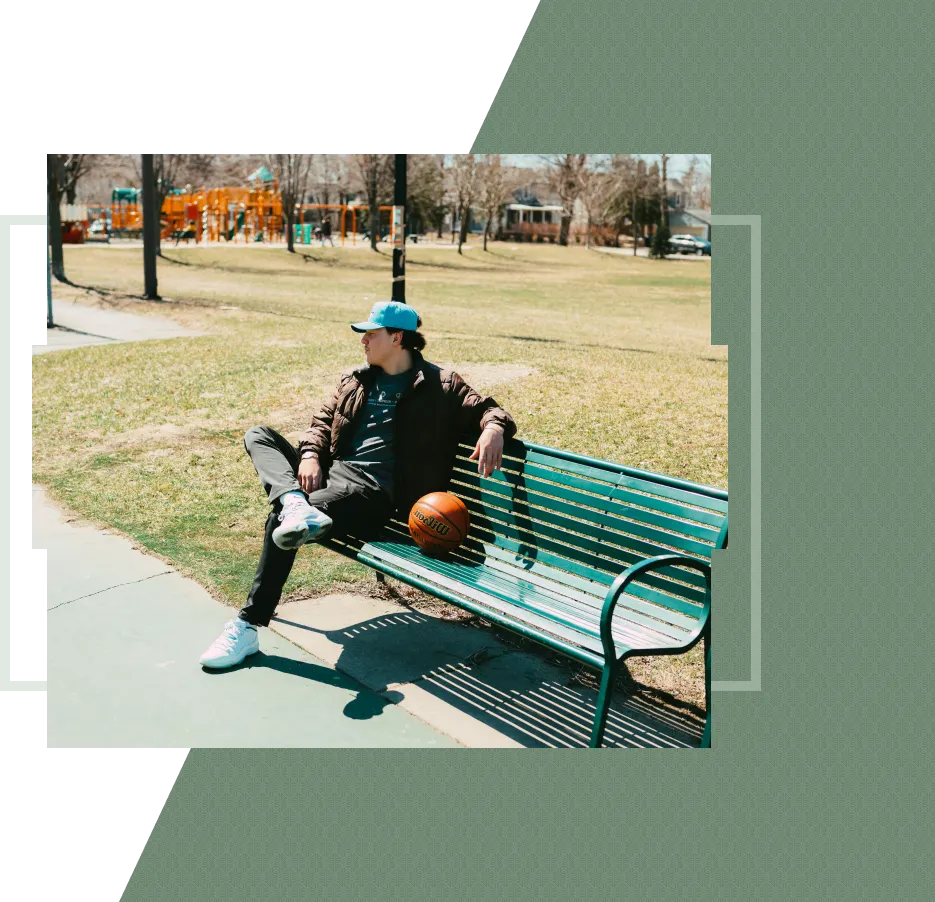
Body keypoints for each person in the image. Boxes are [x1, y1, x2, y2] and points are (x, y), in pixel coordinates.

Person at [199, 300, 517, 668]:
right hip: (332, 477)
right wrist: (309, 455)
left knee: (280, 521)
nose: (363, 340)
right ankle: (294, 501)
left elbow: (491, 410)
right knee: (259, 435)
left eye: (371, 333)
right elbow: (321, 423)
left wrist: (494, 429)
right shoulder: (356, 380)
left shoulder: (441, 385)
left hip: (372, 496)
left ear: (397, 338)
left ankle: (248, 626)